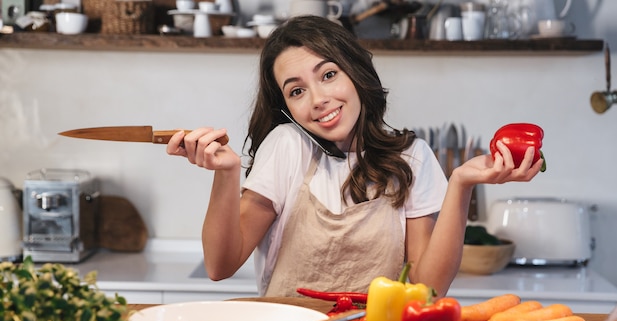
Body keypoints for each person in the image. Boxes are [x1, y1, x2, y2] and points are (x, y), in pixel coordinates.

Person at [166, 15, 543, 297]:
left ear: (355, 71)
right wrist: (227, 174)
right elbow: (220, 265)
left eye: (328, 75)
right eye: (296, 91)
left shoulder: (413, 158)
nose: (318, 100)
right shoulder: (286, 146)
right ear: (286, 107)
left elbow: (428, 288)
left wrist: (460, 185)